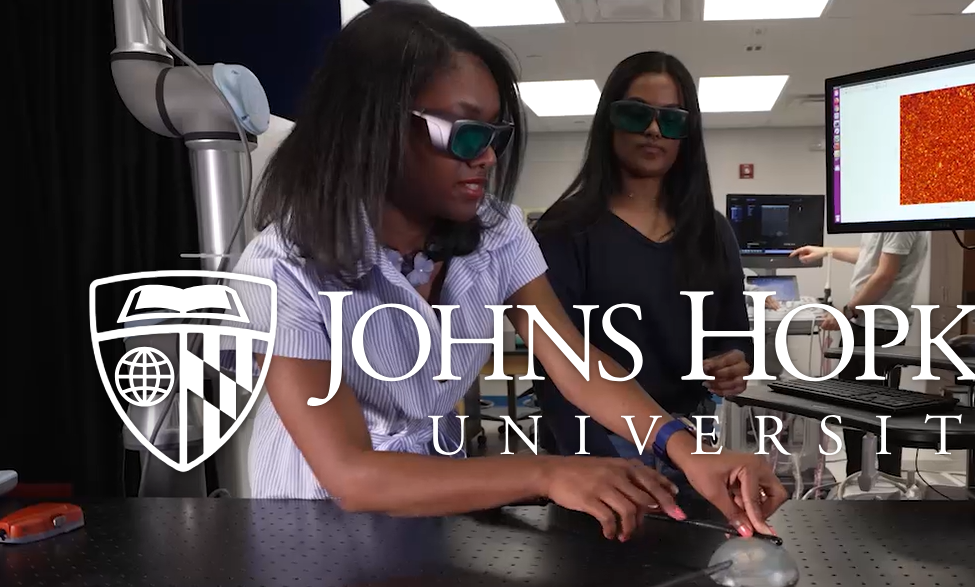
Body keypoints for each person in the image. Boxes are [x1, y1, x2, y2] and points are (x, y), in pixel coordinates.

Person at [220, 3, 786, 542]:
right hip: (311, 527)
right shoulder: (281, 269)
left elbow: (574, 362)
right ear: (372, 127)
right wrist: (546, 472)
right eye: (464, 130)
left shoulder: (496, 231)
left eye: (493, 134)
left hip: (432, 508)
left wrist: (684, 446)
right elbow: (351, 475)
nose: (487, 155)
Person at [531, 52, 756, 492]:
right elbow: (558, 369)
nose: (654, 129)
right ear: (609, 122)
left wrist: (733, 364)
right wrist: (599, 465)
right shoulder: (564, 231)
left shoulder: (711, 231)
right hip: (598, 449)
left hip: (692, 441)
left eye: (671, 119)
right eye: (637, 114)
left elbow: (734, 338)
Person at [789, 232, 928, 477]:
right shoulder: (882, 222)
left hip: (880, 327)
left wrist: (848, 311)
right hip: (864, 323)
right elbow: (870, 255)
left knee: (879, 411)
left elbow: (884, 275)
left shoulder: (900, 223)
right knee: (853, 409)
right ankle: (856, 479)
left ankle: (887, 481)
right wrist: (828, 251)